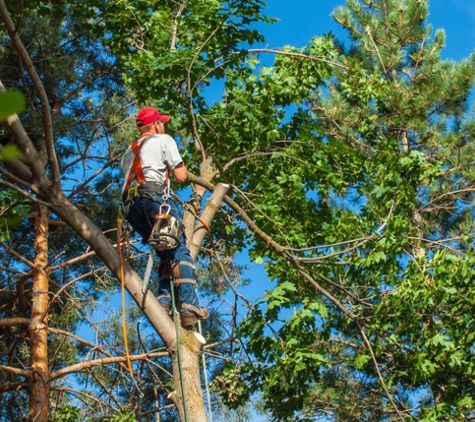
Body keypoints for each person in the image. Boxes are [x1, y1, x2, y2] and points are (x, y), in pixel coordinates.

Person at [121, 107, 209, 328]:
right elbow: (180, 176)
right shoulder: (163, 139)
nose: (164, 126)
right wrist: (195, 179)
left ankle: (164, 301)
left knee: (165, 251)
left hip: (131, 208)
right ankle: (189, 306)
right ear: (156, 126)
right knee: (180, 250)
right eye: (162, 123)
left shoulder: (128, 152)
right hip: (155, 199)